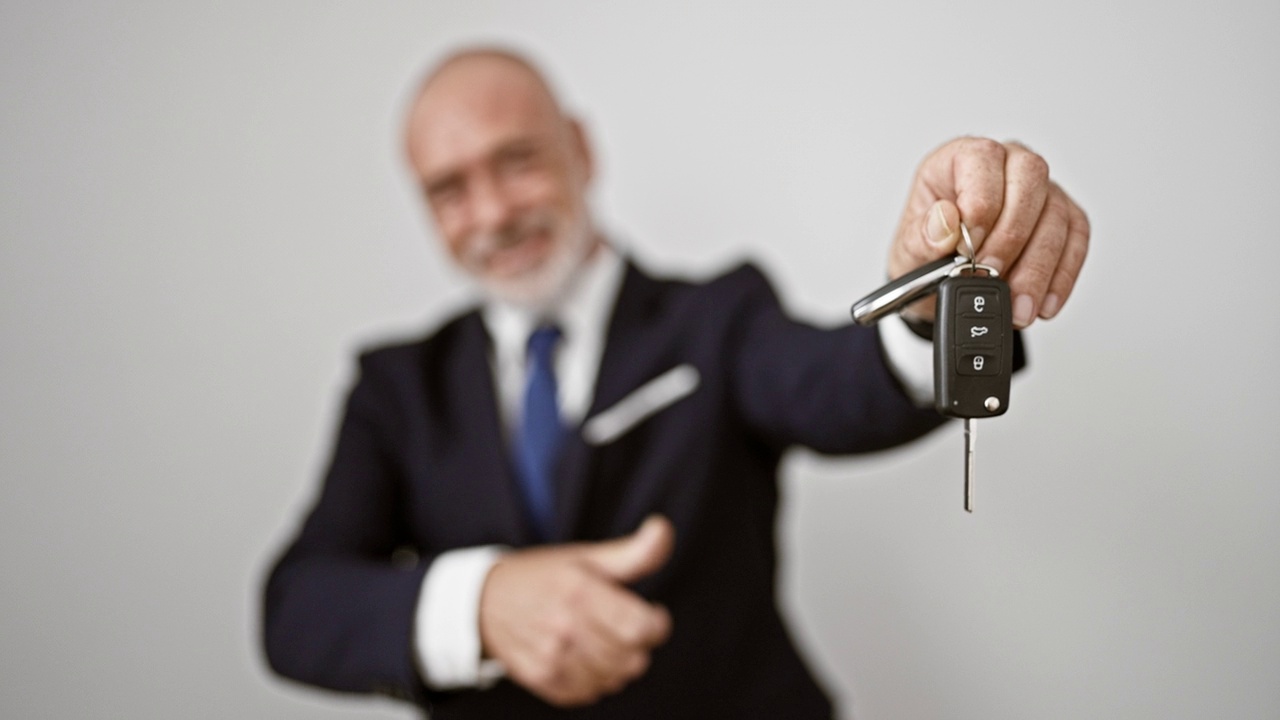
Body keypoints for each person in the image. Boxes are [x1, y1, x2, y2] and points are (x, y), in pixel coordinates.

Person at [261, 47, 1089, 719]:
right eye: (450, 190)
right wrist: (481, 604)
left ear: (581, 151)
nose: (492, 213)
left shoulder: (717, 320)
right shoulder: (395, 388)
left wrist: (926, 305)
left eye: (516, 162)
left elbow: (843, 387)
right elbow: (297, 608)